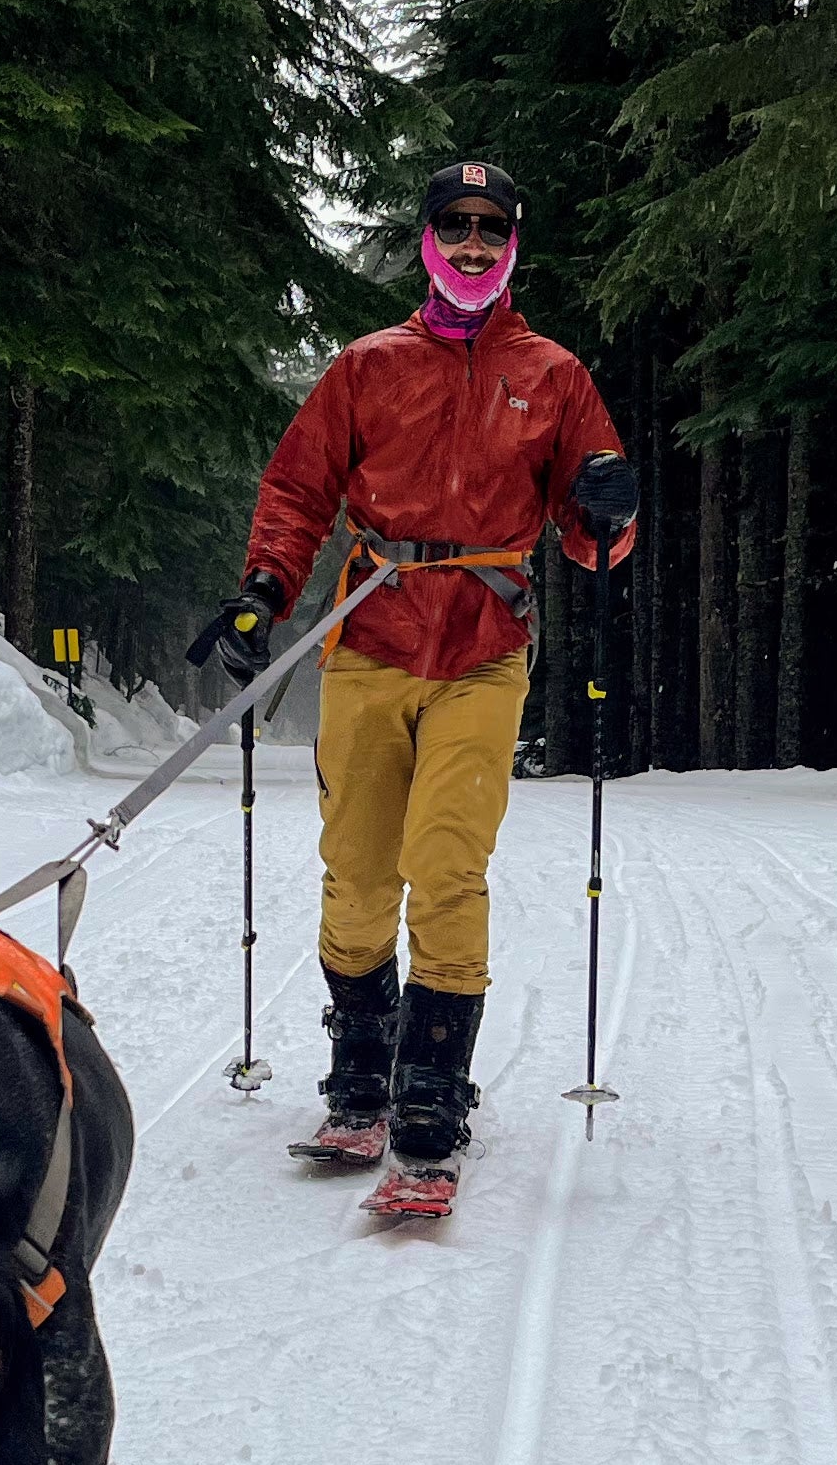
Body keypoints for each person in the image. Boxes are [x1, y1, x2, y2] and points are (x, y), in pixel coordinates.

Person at [191, 159, 639, 1188]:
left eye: (491, 229)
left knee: (444, 867)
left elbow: (593, 546)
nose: (473, 246)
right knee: (356, 873)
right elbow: (299, 491)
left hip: (484, 650)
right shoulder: (366, 367)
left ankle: (432, 1088)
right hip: (371, 637)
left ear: (512, 244)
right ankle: (360, 1076)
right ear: (427, 242)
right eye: (455, 228)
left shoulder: (555, 376)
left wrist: (611, 509)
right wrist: (265, 591)